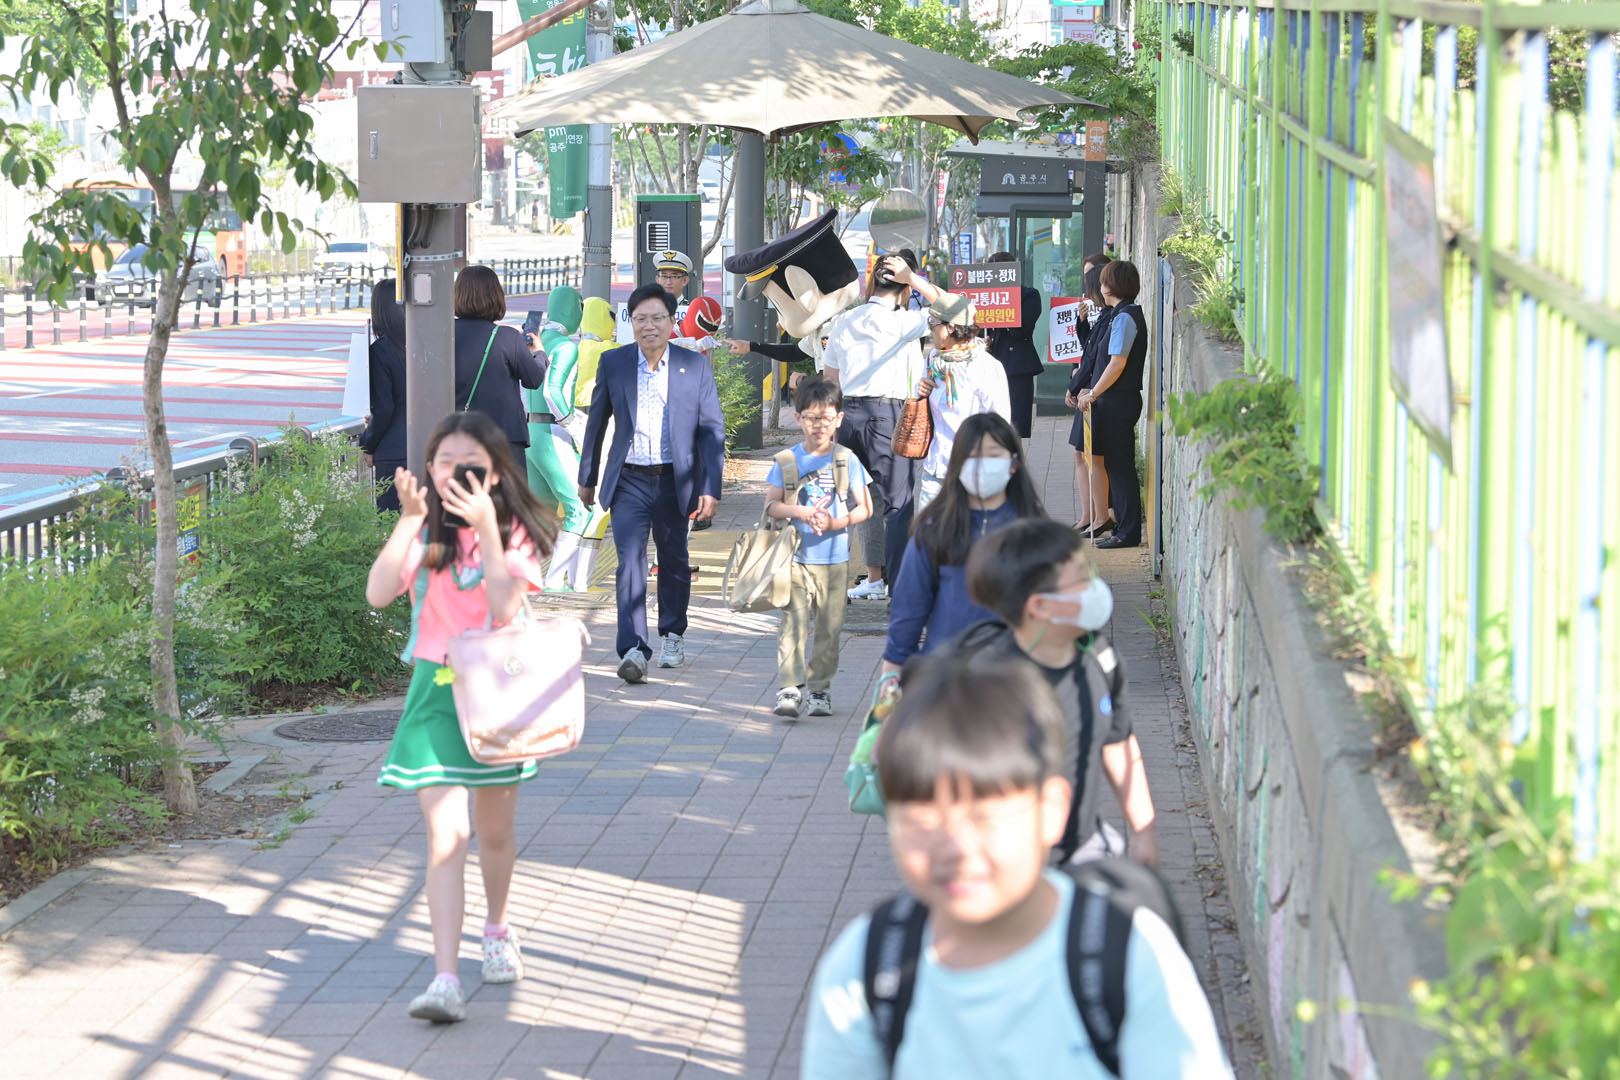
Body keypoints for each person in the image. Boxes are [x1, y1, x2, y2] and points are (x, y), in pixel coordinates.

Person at [801, 656, 1233, 1079]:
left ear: (1051, 809)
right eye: (921, 821)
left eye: (985, 818)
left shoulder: (1129, 955)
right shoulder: (865, 966)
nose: (956, 848)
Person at [365, 411, 558, 1024]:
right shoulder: (425, 532)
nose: (454, 473)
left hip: (497, 694)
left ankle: (497, 929)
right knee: (446, 837)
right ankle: (445, 978)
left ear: (495, 472)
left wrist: (488, 533)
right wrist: (409, 519)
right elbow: (376, 593)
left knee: (494, 832)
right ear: (428, 469)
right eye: (443, 462)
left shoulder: (515, 533)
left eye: (469, 464)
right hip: (436, 692)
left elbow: (503, 608)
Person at [964, 518, 1158, 864]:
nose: (1095, 589)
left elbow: (1118, 743)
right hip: (1005, 863)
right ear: (1039, 606)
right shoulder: (989, 681)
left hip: (1085, 849)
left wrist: (1143, 831)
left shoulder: (1101, 656)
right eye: (1082, 580)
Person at [578, 283, 726, 684]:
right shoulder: (614, 363)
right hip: (629, 479)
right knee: (630, 561)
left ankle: (673, 633)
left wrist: (711, 486)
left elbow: (712, 430)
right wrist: (587, 477)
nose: (649, 326)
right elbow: (596, 423)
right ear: (632, 322)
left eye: (657, 318)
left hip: (676, 481)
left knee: (673, 560)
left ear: (671, 321)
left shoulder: (693, 366)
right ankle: (633, 649)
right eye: (641, 318)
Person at [880, 412, 1044, 677]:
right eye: (972, 456)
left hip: (1013, 680)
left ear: (1013, 464)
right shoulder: (935, 528)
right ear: (957, 463)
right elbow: (909, 606)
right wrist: (891, 672)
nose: (982, 464)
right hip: (944, 677)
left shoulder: (1034, 531)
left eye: (993, 455)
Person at [822, 253, 942, 601]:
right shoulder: (906, 321)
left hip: (847, 416)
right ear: (904, 289)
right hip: (888, 417)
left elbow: (830, 377)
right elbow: (954, 308)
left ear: (871, 283)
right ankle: (899, 590)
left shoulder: (845, 320)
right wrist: (914, 278)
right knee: (898, 506)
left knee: (851, 502)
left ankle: (841, 584)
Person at [763, 377, 873, 719]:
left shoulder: (846, 459)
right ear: (798, 419)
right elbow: (771, 506)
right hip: (795, 558)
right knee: (793, 624)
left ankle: (820, 688)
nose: (819, 425)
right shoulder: (787, 460)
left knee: (829, 628)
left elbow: (865, 508)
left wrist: (839, 523)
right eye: (811, 418)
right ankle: (789, 689)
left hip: (835, 560)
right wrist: (800, 512)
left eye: (826, 418)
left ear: (838, 419)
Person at [913, 292, 1011, 512]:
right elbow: (921, 398)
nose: (930, 329)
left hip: (973, 471)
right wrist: (920, 390)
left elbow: (1001, 422)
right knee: (928, 532)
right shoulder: (933, 360)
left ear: (950, 327)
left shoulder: (986, 366)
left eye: (932, 323)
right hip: (936, 468)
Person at [1075, 261, 1149, 550]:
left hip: (1118, 401)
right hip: (1116, 399)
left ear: (1111, 286)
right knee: (1116, 466)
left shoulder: (1124, 318)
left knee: (1120, 467)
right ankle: (1123, 528)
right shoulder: (1122, 315)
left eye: (1104, 282)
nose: (1100, 287)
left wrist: (1093, 392)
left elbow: (1117, 364)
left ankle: (1128, 532)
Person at [525, 285, 592, 589]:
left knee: (540, 512)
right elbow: (553, 392)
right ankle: (554, 581)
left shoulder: (534, 341)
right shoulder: (565, 346)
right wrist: (573, 424)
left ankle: (529, 577)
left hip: (530, 433)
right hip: (553, 433)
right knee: (581, 508)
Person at [453, 265, 546, 478]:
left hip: (458, 436)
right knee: (507, 497)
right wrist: (539, 353)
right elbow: (533, 379)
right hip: (504, 439)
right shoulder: (507, 337)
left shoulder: (443, 334)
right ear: (495, 296)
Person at [1066, 264, 1116, 536]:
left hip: (1093, 393)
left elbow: (1094, 359)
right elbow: (1089, 350)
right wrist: (1082, 322)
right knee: (1082, 454)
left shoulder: (1113, 317)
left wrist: (1075, 387)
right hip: (1089, 391)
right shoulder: (1107, 317)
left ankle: (1100, 516)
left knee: (1091, 456)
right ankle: (1090, 515)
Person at [982, 251, 1044, 439]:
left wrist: (1002, 307)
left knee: (1015, 425)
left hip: (1018, 366)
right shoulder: (985, 296)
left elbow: (1022, 329)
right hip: (990, 365)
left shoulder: (1029, 295)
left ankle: (1014, 457)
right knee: (991, 425)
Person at [360, 278, 407, 512]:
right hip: (431, 448)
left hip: (393, 453)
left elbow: (384, 409)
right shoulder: (428, 345)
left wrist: (367, 443)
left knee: (393, 524)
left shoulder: (381, 351)